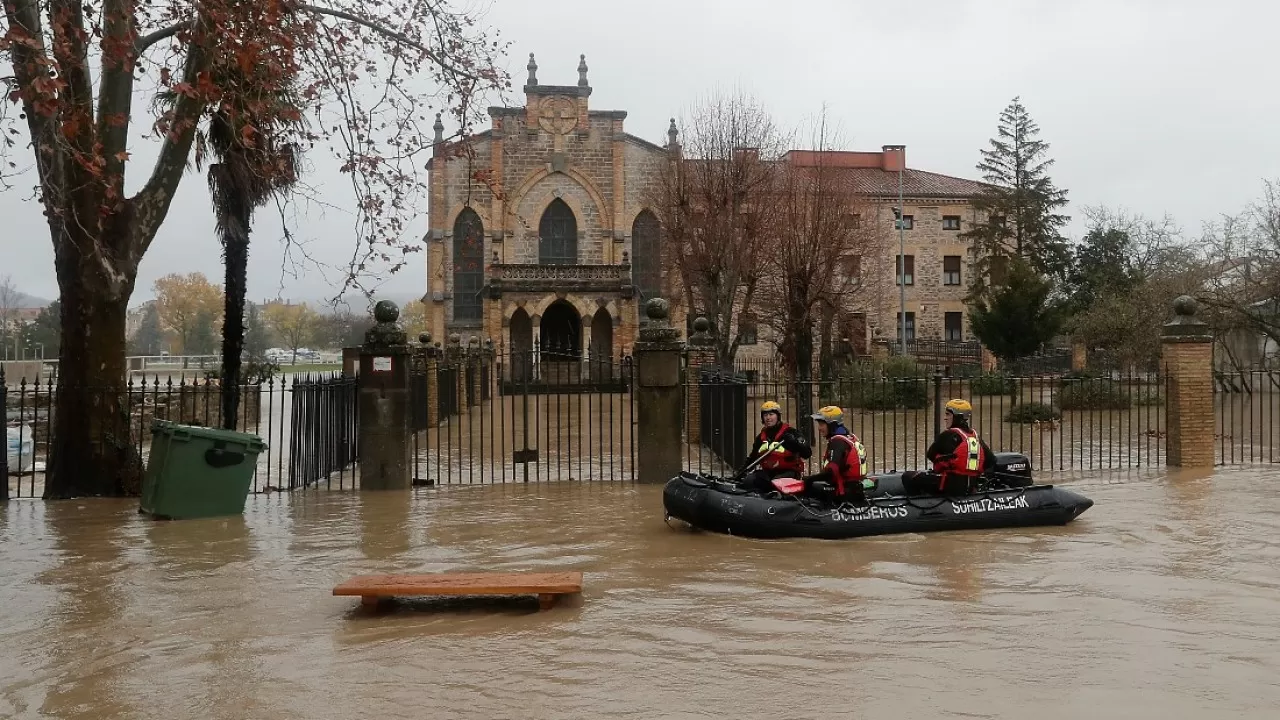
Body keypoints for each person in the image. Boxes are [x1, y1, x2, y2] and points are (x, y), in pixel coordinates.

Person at [902, 398, 996, 496]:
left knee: (907, 476)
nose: (945, 418)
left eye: (948, 414)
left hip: (948, 486)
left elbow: (930, 455)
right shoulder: (976, 437)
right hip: (970, 486)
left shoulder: (948, 435)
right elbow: (991, 460)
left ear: (957, 417)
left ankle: (920, 503)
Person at [735, 400, 812, 493]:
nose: (768, 418)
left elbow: (807, 453)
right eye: (765, 415)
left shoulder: (791, 432)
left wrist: (794, 442)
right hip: (769, 473)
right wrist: (739, 474)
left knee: (776, 484)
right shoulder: (760, 437)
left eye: (771, 414)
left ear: (778, 416)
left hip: (788, 472)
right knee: (749, 481)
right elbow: (752, 458)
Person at [800, 405, 872, 503]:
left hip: (844, 494)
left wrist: (809, 479)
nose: (819, 428)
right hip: (855, 489)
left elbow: (831, 473)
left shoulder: (837, 443)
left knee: (810, 486)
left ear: (832, 425)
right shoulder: (849, 436)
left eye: (822, 424)